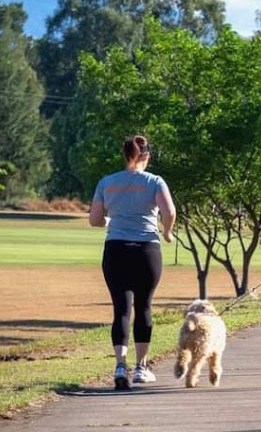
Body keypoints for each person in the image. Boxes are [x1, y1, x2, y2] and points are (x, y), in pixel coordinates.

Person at [88, 135, 176, 390]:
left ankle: (119, 365)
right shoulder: (154, 181)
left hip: (116, 250)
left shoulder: (107, 182)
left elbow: (94, 219)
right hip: (147, 249)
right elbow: (169, 212)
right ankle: (141, 367)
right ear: (145, 156)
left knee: (121, 308)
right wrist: (167, 233)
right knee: (144, 306)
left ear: (125, 155)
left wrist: (110, 221)